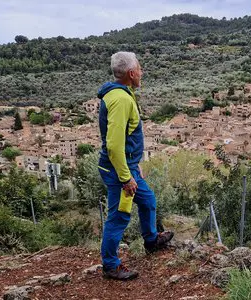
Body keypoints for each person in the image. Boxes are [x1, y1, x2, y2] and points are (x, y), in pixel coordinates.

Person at [97, 52, 174, 280]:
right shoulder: (121, 100)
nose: (142, 72)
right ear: (131, 73)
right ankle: (110, 265)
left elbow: (125, 139)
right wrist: (125, 177)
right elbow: (113, 144)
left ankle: (151, 241)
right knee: (119, 216)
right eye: (139, 68)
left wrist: (134, 164)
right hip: (118, 170)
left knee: (148, 200)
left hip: (127, 165)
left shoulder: (121, 94)